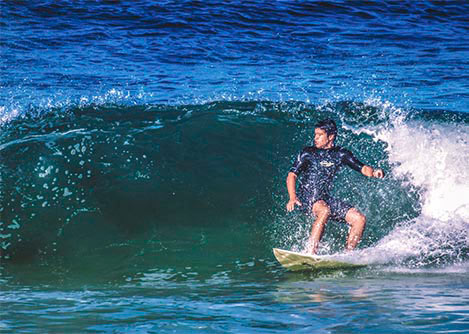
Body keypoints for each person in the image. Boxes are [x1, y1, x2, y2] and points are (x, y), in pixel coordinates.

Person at [286, 119, 384, 254]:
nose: (315, 138)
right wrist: (292, 197)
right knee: (324, 210)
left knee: (359, 219)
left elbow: (361, 167)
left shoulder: (341, 154)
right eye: (315, 135)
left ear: (330, 136)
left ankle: (348, 254)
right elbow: (292, 175)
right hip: (307, 198)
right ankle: (310, 252)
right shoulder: (307, 153)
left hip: (324, 199)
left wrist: (373, 172)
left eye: (319, 135)